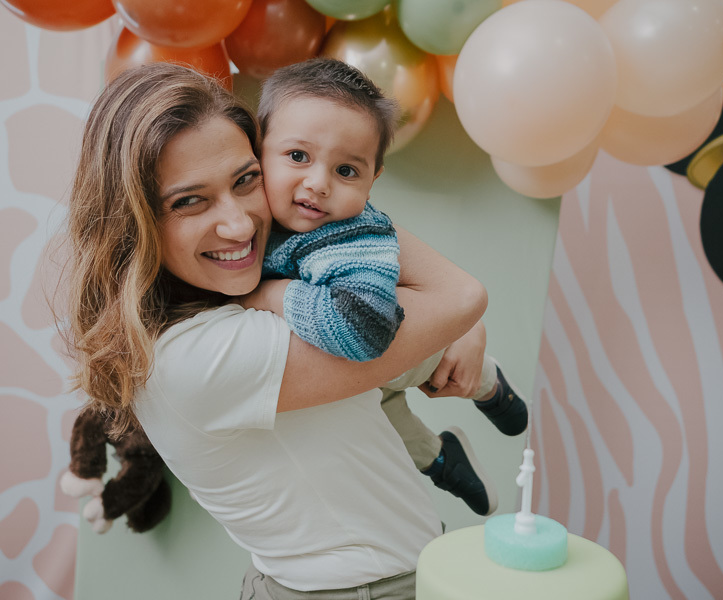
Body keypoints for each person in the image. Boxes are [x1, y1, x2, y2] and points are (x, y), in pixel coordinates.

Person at [61, 61, 489, 599]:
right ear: (133, 220)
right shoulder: (199, 357)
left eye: (246, 181)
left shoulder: (233, 303)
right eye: (189, 201)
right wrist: (349, 201)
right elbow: (460, 297)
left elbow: (442, 311)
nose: (239, 224)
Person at [250, 58, 528, 516]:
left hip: (407, 353)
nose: (318, 184)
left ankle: (489, 385)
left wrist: (264, 297)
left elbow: (360, 331)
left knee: (449, 371)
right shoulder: (253, 228)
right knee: (382, 427)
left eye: (346, 171)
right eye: (297, 156)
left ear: (372, 181)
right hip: (348, 379)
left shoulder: (354, 235)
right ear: (259, 150)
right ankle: (440, 460)